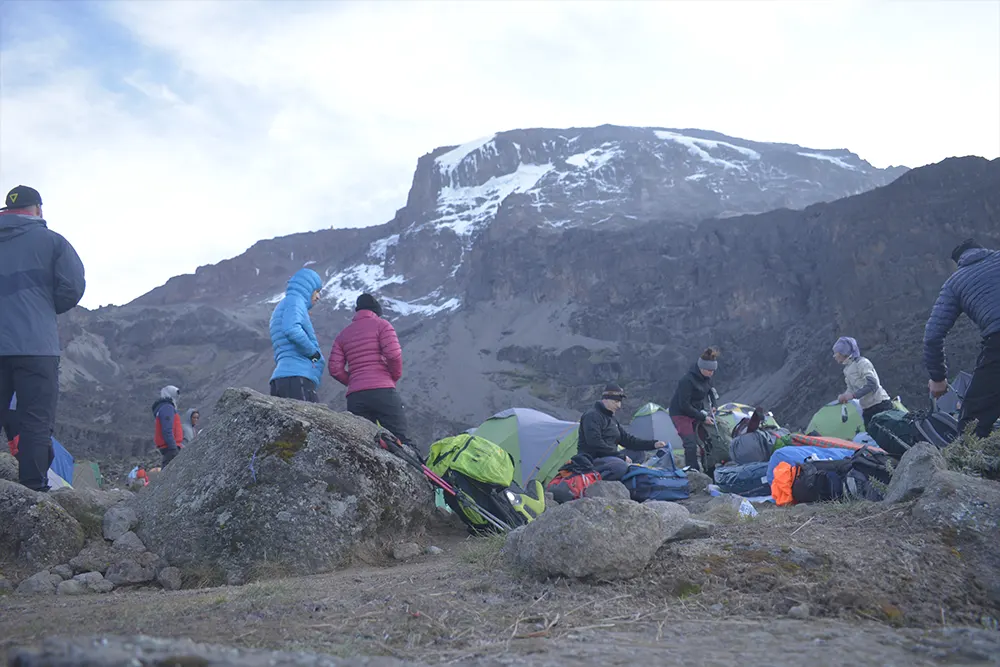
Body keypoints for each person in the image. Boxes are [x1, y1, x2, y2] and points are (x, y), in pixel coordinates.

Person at [0, 185, 86, 492]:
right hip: (36, 347)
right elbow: (73, 288)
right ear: (37, 209)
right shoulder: (52, 242)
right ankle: (33, 491)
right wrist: (43, 308)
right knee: (35, 420)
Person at [924, 238, 1000, 438]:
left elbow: (932, 336)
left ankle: (971, 467)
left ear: (958, 262)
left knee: (972, 422)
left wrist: (938, 379)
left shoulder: (955, 283)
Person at [329, 293, 411, 444]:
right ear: (376, 311)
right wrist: (393, 376)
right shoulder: (382, 325)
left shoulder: (343, 335)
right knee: (400, 440)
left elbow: (334, 368)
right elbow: (393, 355)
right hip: (383, 391)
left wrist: (354, 381)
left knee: (364, 443)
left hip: (356, 397)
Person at [577, 383, 665, 479]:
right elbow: (595, 443)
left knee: (638, 453)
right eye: (616, 401)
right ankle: (598, 482)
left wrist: (653, 444)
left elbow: (627, 440)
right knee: (620, 466)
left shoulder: (611, 418)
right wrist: (620, 456)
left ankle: (627, 476)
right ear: (605, 399)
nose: (619, 405)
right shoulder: (592, 415)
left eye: (620, 402)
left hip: (610, 457)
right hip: (593, 459)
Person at [269, 268, 325, 402]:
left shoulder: (285, 305)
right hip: (297, 378)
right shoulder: (295, 301)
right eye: (317, 291)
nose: (318, 297)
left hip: (284, 378)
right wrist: (313, 354)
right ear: (308, 288)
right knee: (309, 421)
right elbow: (291, 329)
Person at [669, 347, 725, 473]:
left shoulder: (707, 378)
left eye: (713, 370)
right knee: (690, 443)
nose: (711, 373)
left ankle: (709, 470)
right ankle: (692, 472)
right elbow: (684, 405)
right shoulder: (687, 381)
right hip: (680, 414)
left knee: (707, 440)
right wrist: (703, 417)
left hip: (696, 411)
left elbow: (711, 392)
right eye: (709, 370)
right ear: (701, 368)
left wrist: (714, 405)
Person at [832, 336, 893, 430]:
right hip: (867, 408)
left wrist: (853, 396)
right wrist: (844, 396)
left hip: (880, 404)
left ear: (844, 352)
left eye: (836, 353)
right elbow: (851, 388)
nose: (834, 356)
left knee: (888, 436)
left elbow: (872, 384)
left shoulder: (862, 363)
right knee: (874, 436)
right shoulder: (847, 369)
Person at [152, 385, 183, 466]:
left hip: (168, 447)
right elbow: (167, 429)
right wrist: (173, 448)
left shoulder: (163, 408)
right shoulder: (167, 408)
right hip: (171, 448)